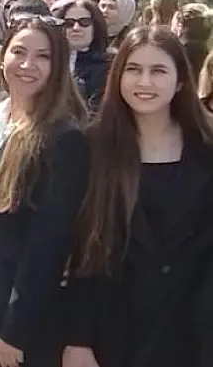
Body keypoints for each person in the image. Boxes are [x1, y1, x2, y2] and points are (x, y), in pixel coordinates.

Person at [64, 27, 213, 367]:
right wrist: (78, 339)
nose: (144, 82)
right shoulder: (92, 148)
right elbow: (82, 250)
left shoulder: (205, 150)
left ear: (179, 82)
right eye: (133, 69)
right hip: (114, 328)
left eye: (158, 71)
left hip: (190, 330)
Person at [0, 15, 89, 367]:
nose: (27, 65)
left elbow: (48, 244)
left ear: (58, 66)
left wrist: (16, 329)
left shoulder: (64, 139)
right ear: (2, 54)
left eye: (43, 56)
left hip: (17, 318)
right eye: (18, 51)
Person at [52, 0, 111, 110]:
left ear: (96, 26)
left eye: (84, 22)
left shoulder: (108, 67)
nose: (76, 28)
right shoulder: (50, 62)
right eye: (69, 23)